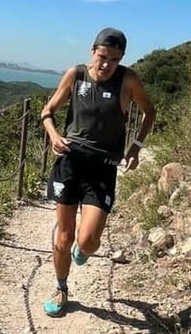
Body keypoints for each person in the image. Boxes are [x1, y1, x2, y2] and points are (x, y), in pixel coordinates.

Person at [37, 27, 156, 317]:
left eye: (114, 59)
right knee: (63, 236)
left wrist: (136, 147)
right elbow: (47, 111)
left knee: (88, 240)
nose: (106, 65)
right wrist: (53, 135)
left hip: (103, 168)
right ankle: (61, 288)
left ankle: (83, 249)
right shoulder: (75, 75)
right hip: (70, 163)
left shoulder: (128, 80)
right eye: (102, 57)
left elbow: (149, 112)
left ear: (122, 59)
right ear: (92, 51)